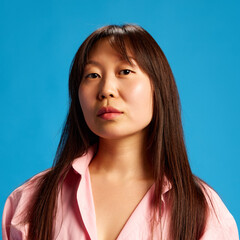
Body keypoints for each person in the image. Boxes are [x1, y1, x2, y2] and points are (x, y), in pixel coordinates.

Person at [2, 24, 239, 240]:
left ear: (158, 88)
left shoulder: (203, 212)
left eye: (125, 71)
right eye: (92, 75)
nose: (106, 90)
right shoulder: (31, 200)